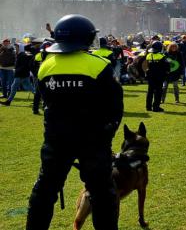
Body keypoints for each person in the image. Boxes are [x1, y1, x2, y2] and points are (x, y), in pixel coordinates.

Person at [26, 14, 123, 230]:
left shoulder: (46, 66)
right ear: (88, 38)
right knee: (101, 193)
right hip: (93, 139)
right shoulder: (99, 66)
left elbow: (46, 101)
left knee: (44, 190)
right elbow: (115, 105)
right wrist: (108, 132)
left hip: (56, 139)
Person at [1, 39, 34, 106]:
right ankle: (41, 98)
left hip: (20, 75)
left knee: (14, 88)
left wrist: (16, 70)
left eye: (17, 47)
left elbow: (24, 66)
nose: (16, 48)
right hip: (23, 75)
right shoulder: (21, 55)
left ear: (20, 48)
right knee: (29, 88)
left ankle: (8, 101)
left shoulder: (22, 55)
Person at [145, 41, 168, 112]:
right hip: (159, 76)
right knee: (158, 92)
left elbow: (147, 66)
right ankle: (156, 107)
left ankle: (148, 107)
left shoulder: (148, 56)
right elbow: (166, 67)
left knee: (150, 92)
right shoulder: (162, 56)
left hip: (150, 76)